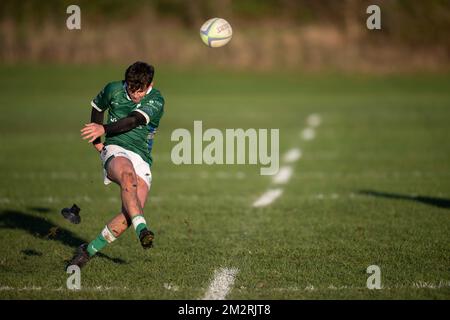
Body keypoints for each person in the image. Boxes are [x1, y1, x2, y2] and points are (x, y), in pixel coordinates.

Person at [69, 61, 165, 268]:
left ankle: (88, 250)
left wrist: (103, 128)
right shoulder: (113, 89)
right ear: (126, 82)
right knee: (127, 177)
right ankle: (143, 231)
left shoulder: (156, 99)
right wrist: (98, 142)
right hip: (115, 149)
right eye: (131, 89)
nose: (135, 94)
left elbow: (133, 120)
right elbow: (97, 106)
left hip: (142, 158)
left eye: (140, 90)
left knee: (130, 213)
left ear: (150, 85)